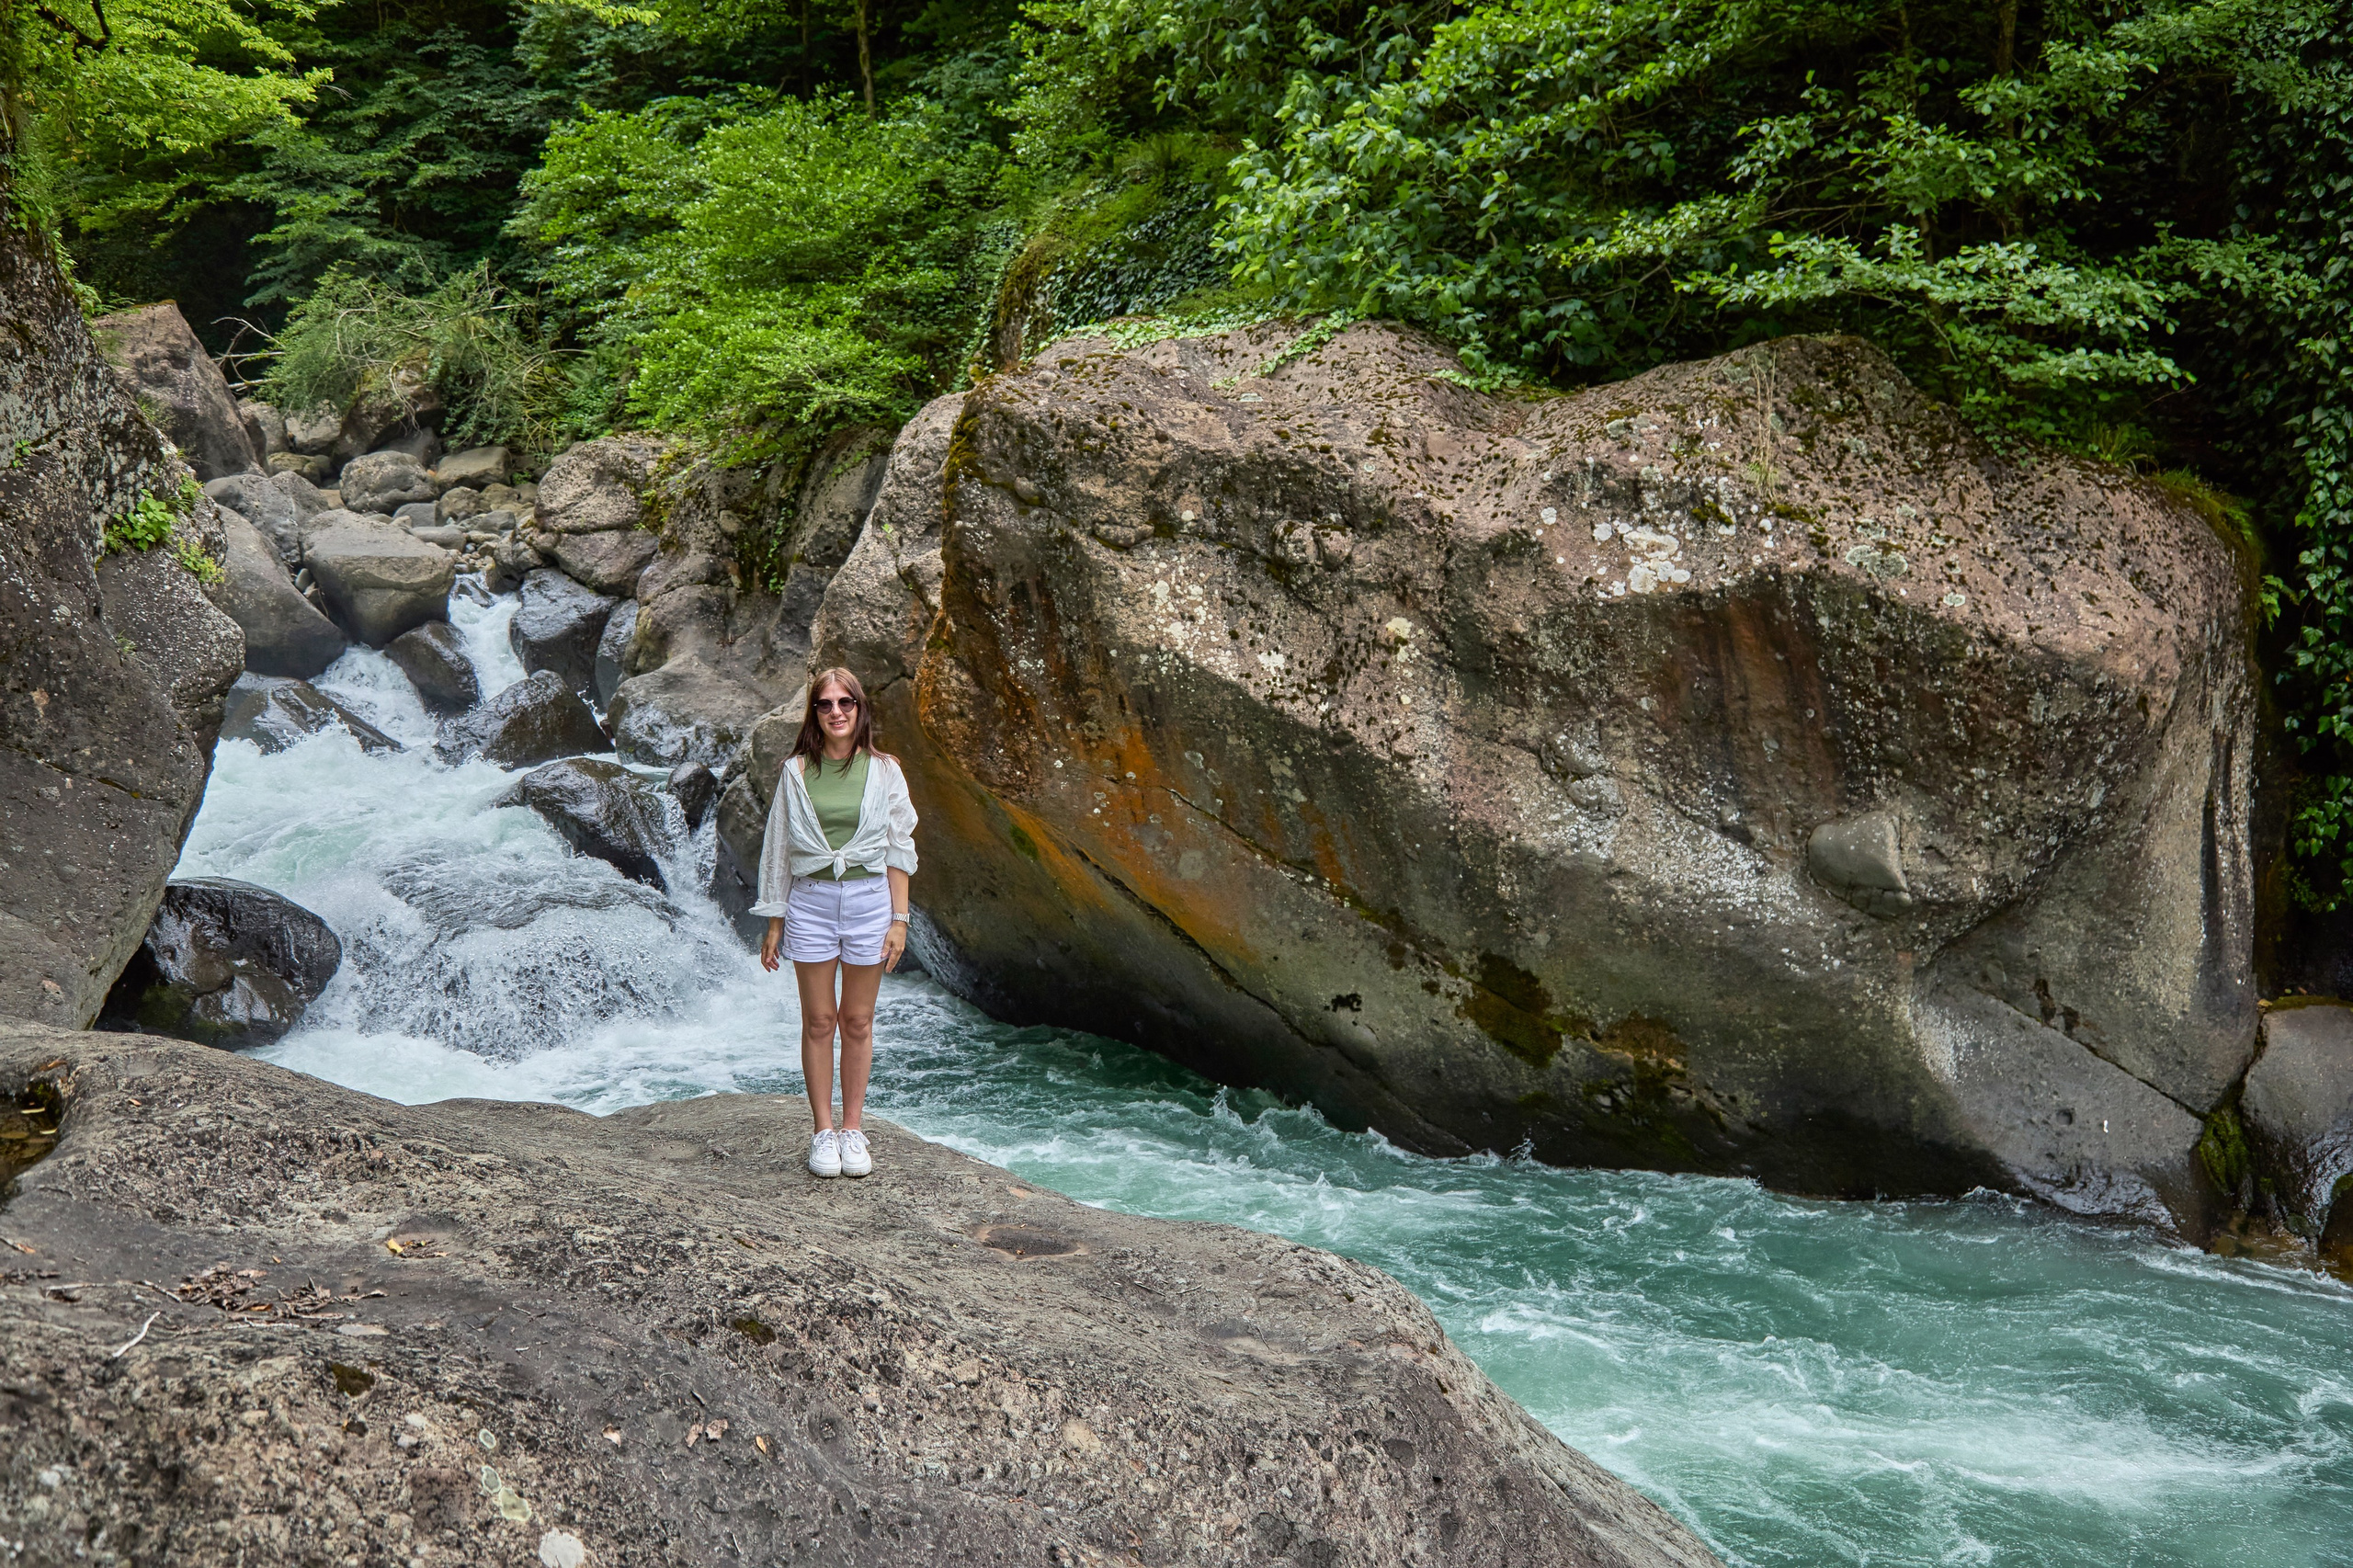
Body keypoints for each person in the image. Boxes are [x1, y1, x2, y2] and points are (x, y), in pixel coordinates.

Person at [750, 668, 918, 1178]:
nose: (837, 711)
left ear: (860, 709)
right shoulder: (796, 771)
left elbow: (899, 848)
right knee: (820, 1021)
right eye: (825, 704)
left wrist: (900, 920)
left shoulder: (885, 770)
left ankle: (853, 1128)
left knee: (859, 1021)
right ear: (814, 714)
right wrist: (775, 920)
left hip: (870, 901)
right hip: (811, 902)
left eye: (846, 702)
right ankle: (822, 1133)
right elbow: (778, 849)